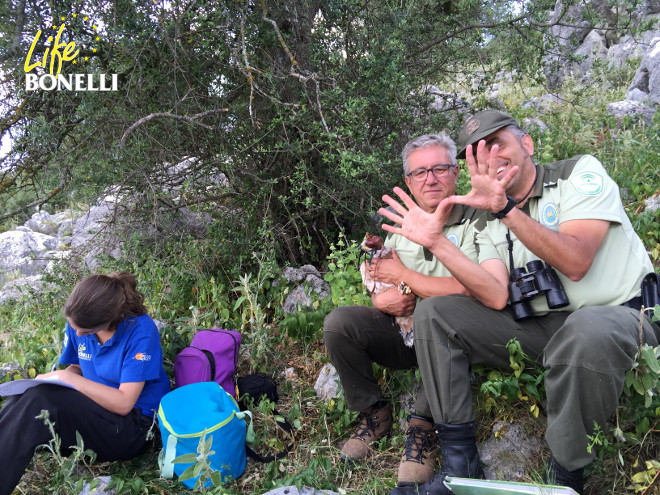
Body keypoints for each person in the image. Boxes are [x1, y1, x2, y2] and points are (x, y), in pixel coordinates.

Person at [379, 110, 658, 494]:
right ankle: (461, 469)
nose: (491, 159)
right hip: (543, 330)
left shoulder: (576, 174)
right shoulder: (487, 216)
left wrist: (508, 210)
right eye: (478, 153)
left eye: (498, 145)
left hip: (620, 317)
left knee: (584, 330)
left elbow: (577, 263)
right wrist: (436, 242)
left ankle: (565, 470)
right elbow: (494, 293)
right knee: (436, 313)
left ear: (526, 144)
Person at [323, 133, 483, 485]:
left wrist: (407, 281)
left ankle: (422, 427)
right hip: (404, 332)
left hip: (451, 340)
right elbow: (386, 279)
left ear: (456, 172)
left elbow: (476, 288)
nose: (431, 178)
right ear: (408, 182)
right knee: (340, 323)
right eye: (420, 172)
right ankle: (373, 411)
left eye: (440, 168)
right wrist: (382, 299)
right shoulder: (401, 227)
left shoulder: (478, 220)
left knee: (435, 318)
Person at [0, 271, 171, 495]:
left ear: (110, 318)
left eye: (87, 330)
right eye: (75, 327)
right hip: (96, 411)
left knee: (39, 400)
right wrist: (63, 376)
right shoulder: (80, 322)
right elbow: (77, 367)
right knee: (29, 395)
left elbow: (124, 403)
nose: (79, 333)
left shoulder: (140, 331)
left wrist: (67, 378)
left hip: (133, 427)